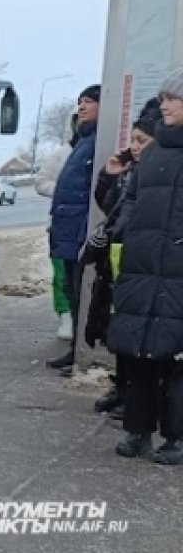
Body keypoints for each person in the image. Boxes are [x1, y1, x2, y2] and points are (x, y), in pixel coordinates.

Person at [105, 70, 183, 466]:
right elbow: (131, 200)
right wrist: (121, 231)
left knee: (176, 358)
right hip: (142, 267)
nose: (165, 105)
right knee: (139, 352)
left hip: (179, 274)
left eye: (173, 98)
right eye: (164, 97)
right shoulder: (151, 153)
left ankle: (176, 437)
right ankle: (138, 431)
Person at [85, 102, 159, 419]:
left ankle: (137, 397)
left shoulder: (158, 174)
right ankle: (122, 387)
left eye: (141, 141)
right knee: (118, 327)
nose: (134, 147)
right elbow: (110, 208)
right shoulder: (131, 173)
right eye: (133, 140)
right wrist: (109, 176)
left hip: (142, 265)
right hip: (118, 264)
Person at [46, 85, 101, 372]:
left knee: (82, 293)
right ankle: (75, 350)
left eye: (89, 102)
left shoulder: (99, 142)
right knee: (72, 290)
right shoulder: (82, 141)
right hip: (68, 231)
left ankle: (83, 352)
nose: (82, 107)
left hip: (81, 232)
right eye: (79, 102)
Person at [36, 112, 81, 342]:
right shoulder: (62, 153)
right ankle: (65, 315)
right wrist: (65, 191)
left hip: (93, 223)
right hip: (62, 222)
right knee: (62, 273)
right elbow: (41, 182)